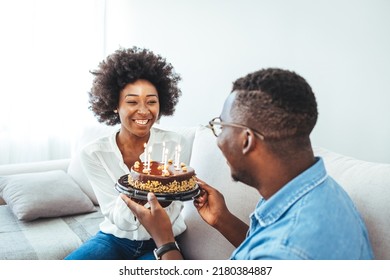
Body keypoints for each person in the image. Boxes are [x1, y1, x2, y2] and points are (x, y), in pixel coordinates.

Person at [121, 67, 374, 260]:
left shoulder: (287, 250)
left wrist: (164, 240)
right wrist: (223, 219)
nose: (218, 140)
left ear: (246, 140)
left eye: (221, 127)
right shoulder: (318, 191)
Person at [65, 47, 191, 260]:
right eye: (132, 102)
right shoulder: (93, 153)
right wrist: (145, 189)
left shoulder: (176, 143)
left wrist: (149, 196)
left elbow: (174, 207)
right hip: (114, 238)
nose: (143, 110)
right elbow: (116, 216)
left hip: (162, 240)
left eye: (151, 101)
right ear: (114, 104)